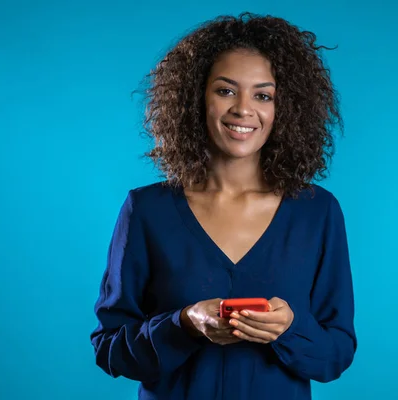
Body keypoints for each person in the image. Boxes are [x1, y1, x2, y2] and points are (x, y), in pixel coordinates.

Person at [90, 12, 357, 400]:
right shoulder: (146, 210)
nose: (243, 109)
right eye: (226, 90)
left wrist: (289, 330)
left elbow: (335, 356)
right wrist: (183, 324)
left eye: (263, 95)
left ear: (285, 110)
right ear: (197, 96)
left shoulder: (317, 212)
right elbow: (110, 349)